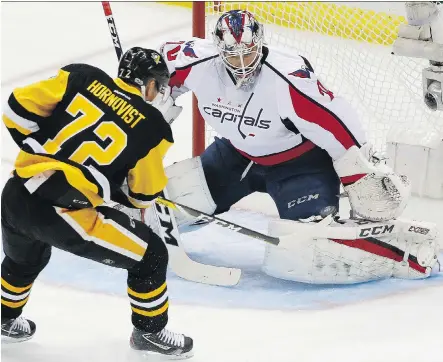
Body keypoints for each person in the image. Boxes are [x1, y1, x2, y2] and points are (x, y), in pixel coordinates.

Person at [155, 10, 439, 284]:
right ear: (219, 50)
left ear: (260, 43)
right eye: (232, 55)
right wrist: (145, 104)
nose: (242, 63)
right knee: (161, 203)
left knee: (301, 253)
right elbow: (157, 69)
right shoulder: (196, 61)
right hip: (237, 158)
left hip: (300, 167)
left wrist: (362, 174)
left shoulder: (288, 78)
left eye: (248, 53)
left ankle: (400, 256)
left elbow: (337, 122)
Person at [1, 47, 193, 358]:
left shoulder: (81, 76)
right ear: (150, 85)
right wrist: (109, 183)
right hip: (60, 211)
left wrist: (46, 151)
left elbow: (15, 110)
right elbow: (142, 196)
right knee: (152, 255)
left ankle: (3, 319)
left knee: (25, 259)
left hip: (15, 193)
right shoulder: (153, 127)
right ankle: (149, 331)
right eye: (159, 86)